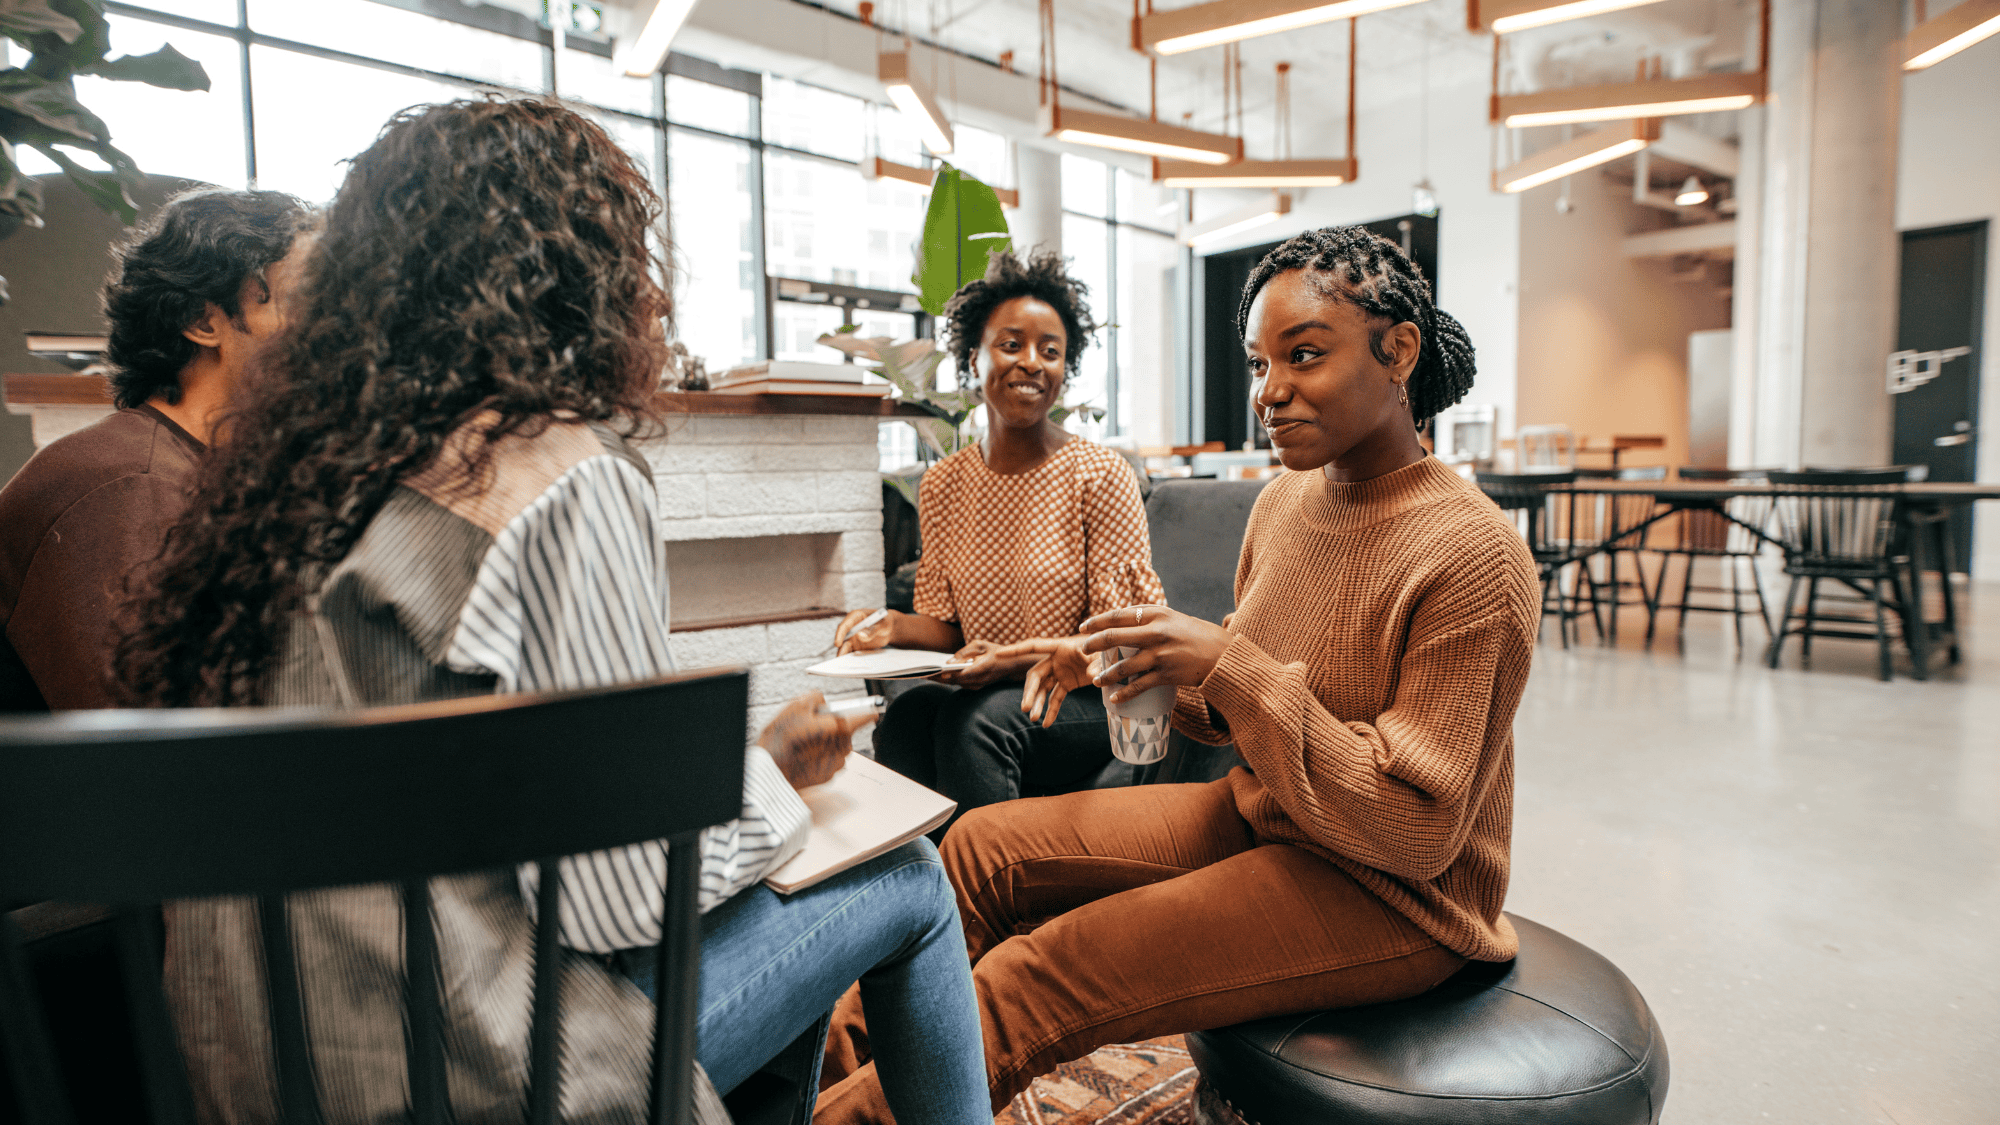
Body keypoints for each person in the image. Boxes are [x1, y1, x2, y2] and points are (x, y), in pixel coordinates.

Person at [114, 99, 985, 1125]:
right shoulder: (555, 475)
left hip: (259, 1079)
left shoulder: (281, 490)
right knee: (908, 880)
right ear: (582, 276)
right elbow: (616, 902)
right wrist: (776, 786)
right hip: (480, 1081)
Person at [814, 226, 1541, 1125]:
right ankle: (796, 1081)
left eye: (1304, 355)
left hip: (1398, 895)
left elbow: (1415, 829)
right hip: (1268, 812)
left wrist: (1228, 665)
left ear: (1398, 351)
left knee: (1034, 976)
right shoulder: (1284, 502)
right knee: (974, 852)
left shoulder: (1474, 552)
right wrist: (1134, 663)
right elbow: (1221, 715)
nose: (1269, 393)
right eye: (1259, 363)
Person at [832, 250, 1164, 825]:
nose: (1031, 363)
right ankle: (922, 891)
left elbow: (1126, 641)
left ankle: (994, 905)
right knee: (911, 715)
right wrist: (887, 625)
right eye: (1011, 345)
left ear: (1064, 369)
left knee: (976, 722)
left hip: (1085, 695)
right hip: (993, 689)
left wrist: (1008, 661)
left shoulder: (1099, 474)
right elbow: (947, 629)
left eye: (1050, 351)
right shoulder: (943, 484)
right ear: (973, 358)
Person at [0, 186, 312, 711]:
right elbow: (151, 749)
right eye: (303, 300)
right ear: (203, 322)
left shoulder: (214, 471)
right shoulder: (128, 486)